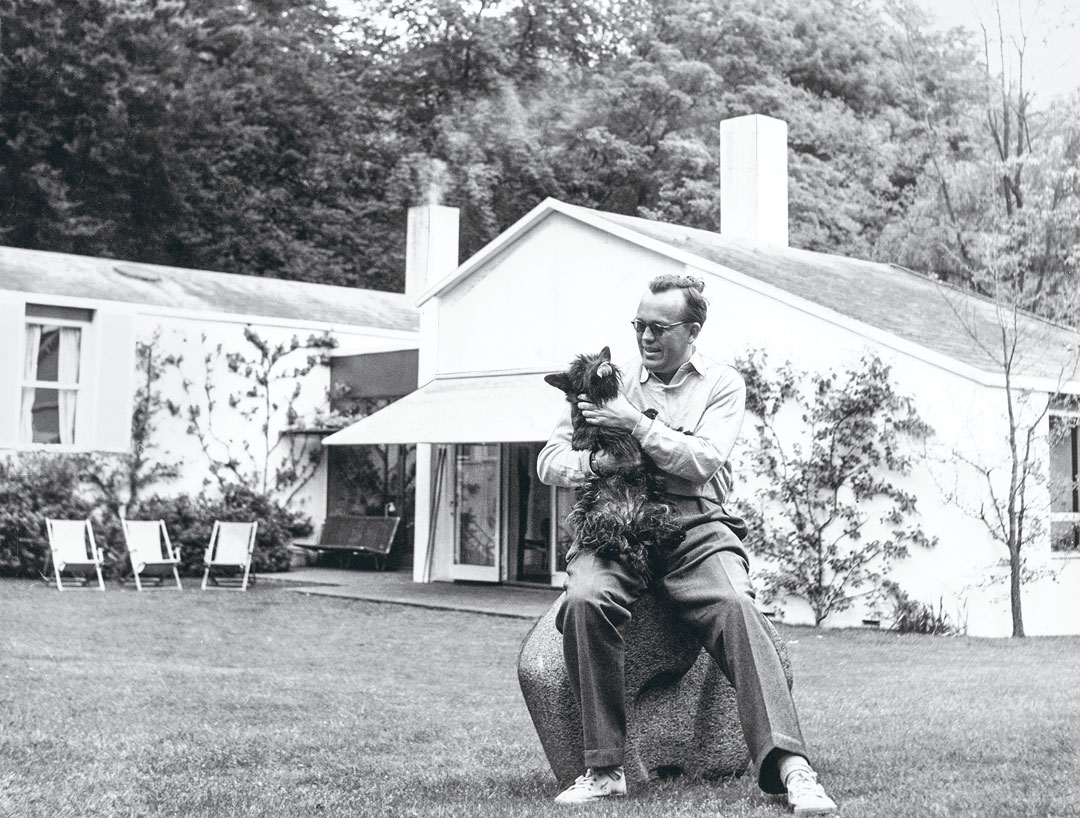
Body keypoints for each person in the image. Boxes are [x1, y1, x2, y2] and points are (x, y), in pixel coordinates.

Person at [536, 274, 837, 815]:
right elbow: (549, 459)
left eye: (658, 327)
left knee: (737, 605)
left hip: (693, 522)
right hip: (615, 519)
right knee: (584, 599)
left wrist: (634, 424)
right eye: (638, 326)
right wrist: (598, 463)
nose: (645, 338)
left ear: (692, 329)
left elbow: (701, 462)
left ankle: (792, 768)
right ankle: (604, 769)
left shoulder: (722, 384)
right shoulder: (608, 378)